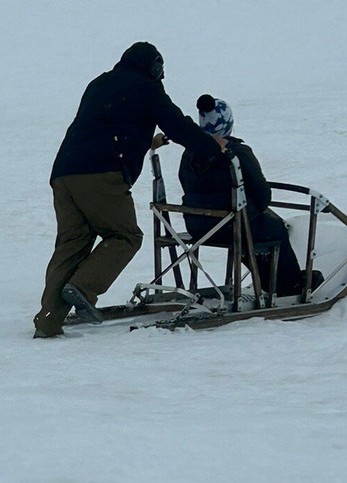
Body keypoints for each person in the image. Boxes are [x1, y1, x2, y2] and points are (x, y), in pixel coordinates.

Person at [32, 42, 224, 338]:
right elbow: (178, 126)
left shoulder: (99, 83)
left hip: (64, 174)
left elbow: (106, 127)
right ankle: (82, 288)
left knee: (72, 244)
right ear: (154, 68)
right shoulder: (147, 88)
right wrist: (213, 147)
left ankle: (48, 321)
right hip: (100, 176)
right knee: (125, 236)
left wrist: (146, 143)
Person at [178, 95, 318, 296]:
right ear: (228, 124)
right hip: (231, 226)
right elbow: (262, 197)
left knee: (251, 230)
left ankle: (273, 282)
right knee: (274, 229)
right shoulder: (237, 153)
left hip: (198, 225)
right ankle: (292, 285)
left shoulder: (189, 154)